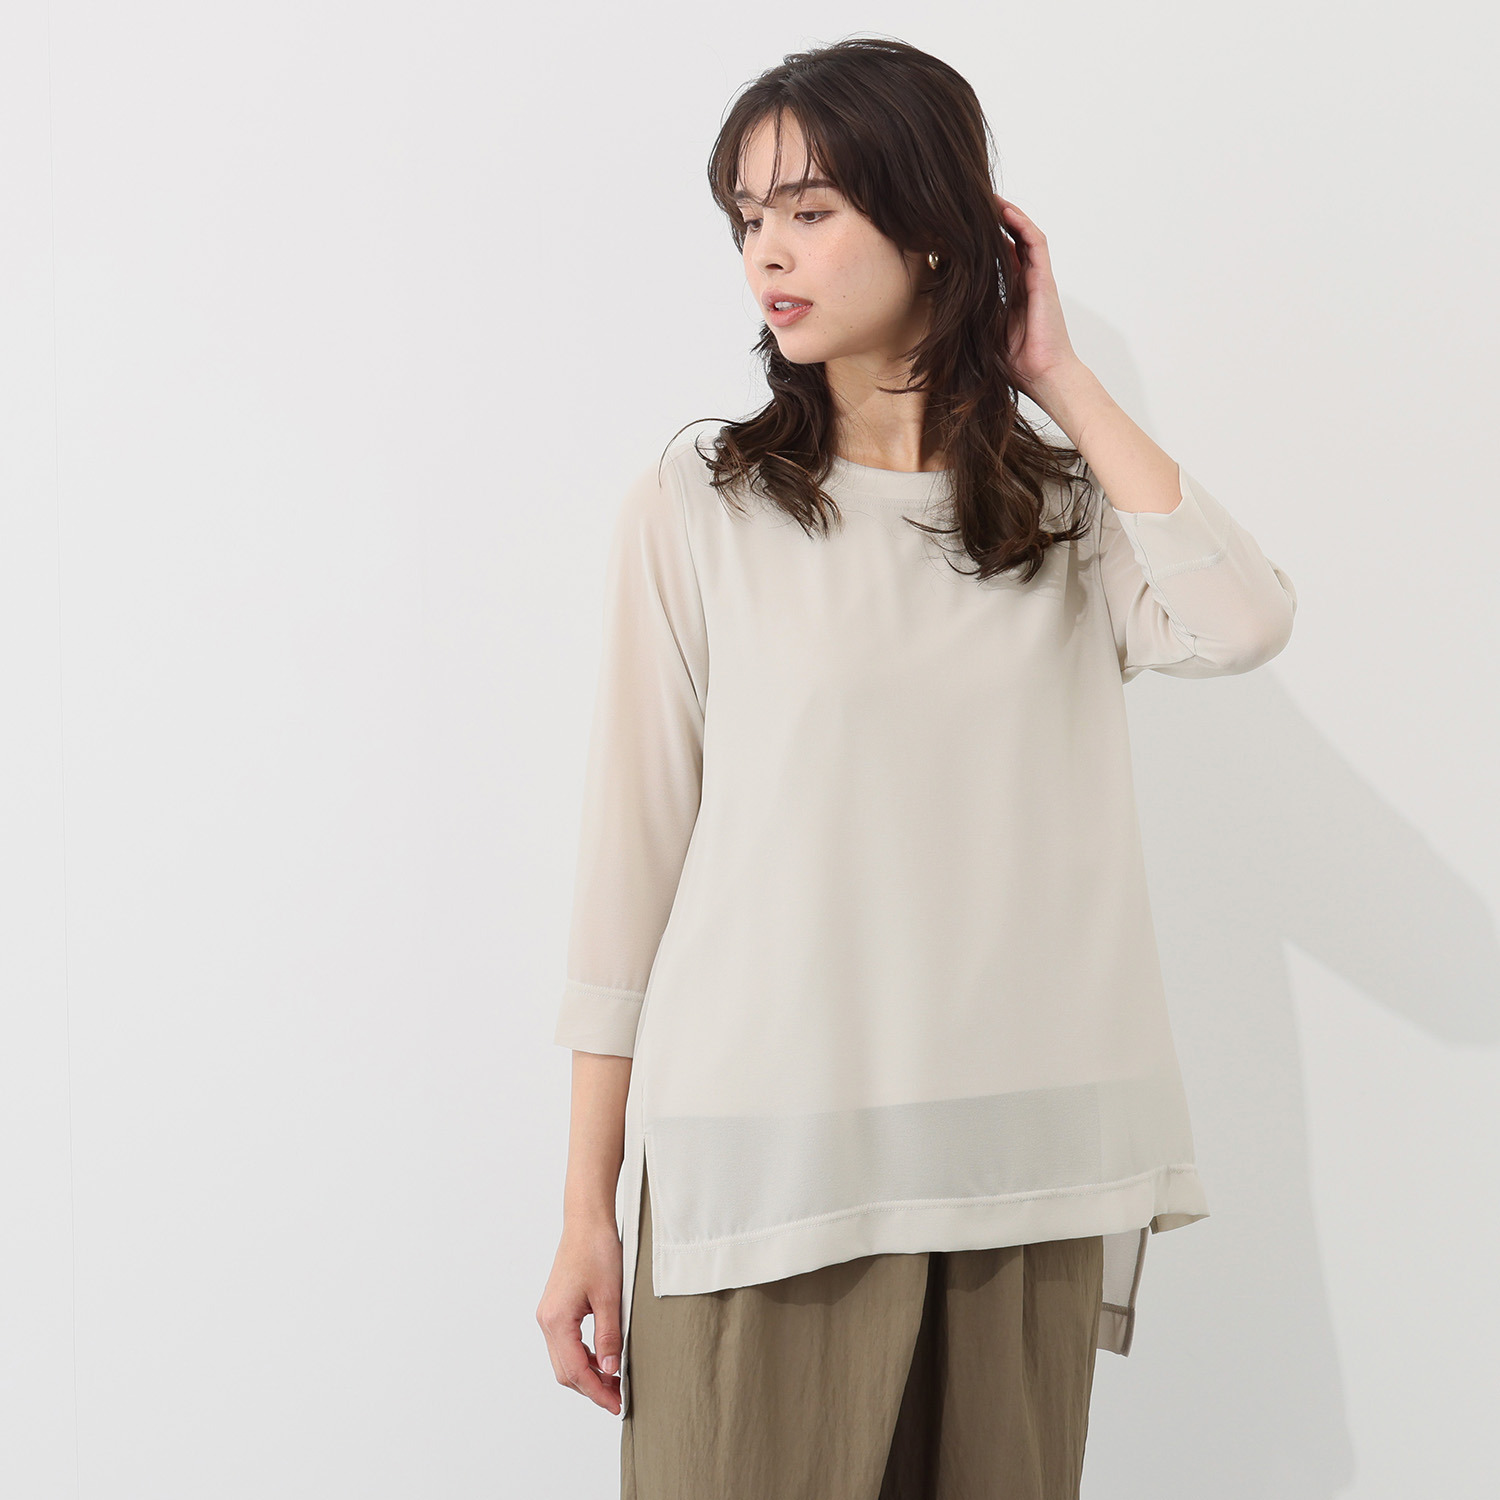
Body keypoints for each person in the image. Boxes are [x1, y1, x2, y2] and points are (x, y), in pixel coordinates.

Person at [536, 35, 1297, 1500]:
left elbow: (1244, 620)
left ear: (936, 227)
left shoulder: (1063, 516)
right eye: (747, 218)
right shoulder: (703, 507)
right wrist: (586, 1209)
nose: (767, 253)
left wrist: (1056, 373)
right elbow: (629, 875)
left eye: (811, 210)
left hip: (1022, 1167)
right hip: (772, 1174)